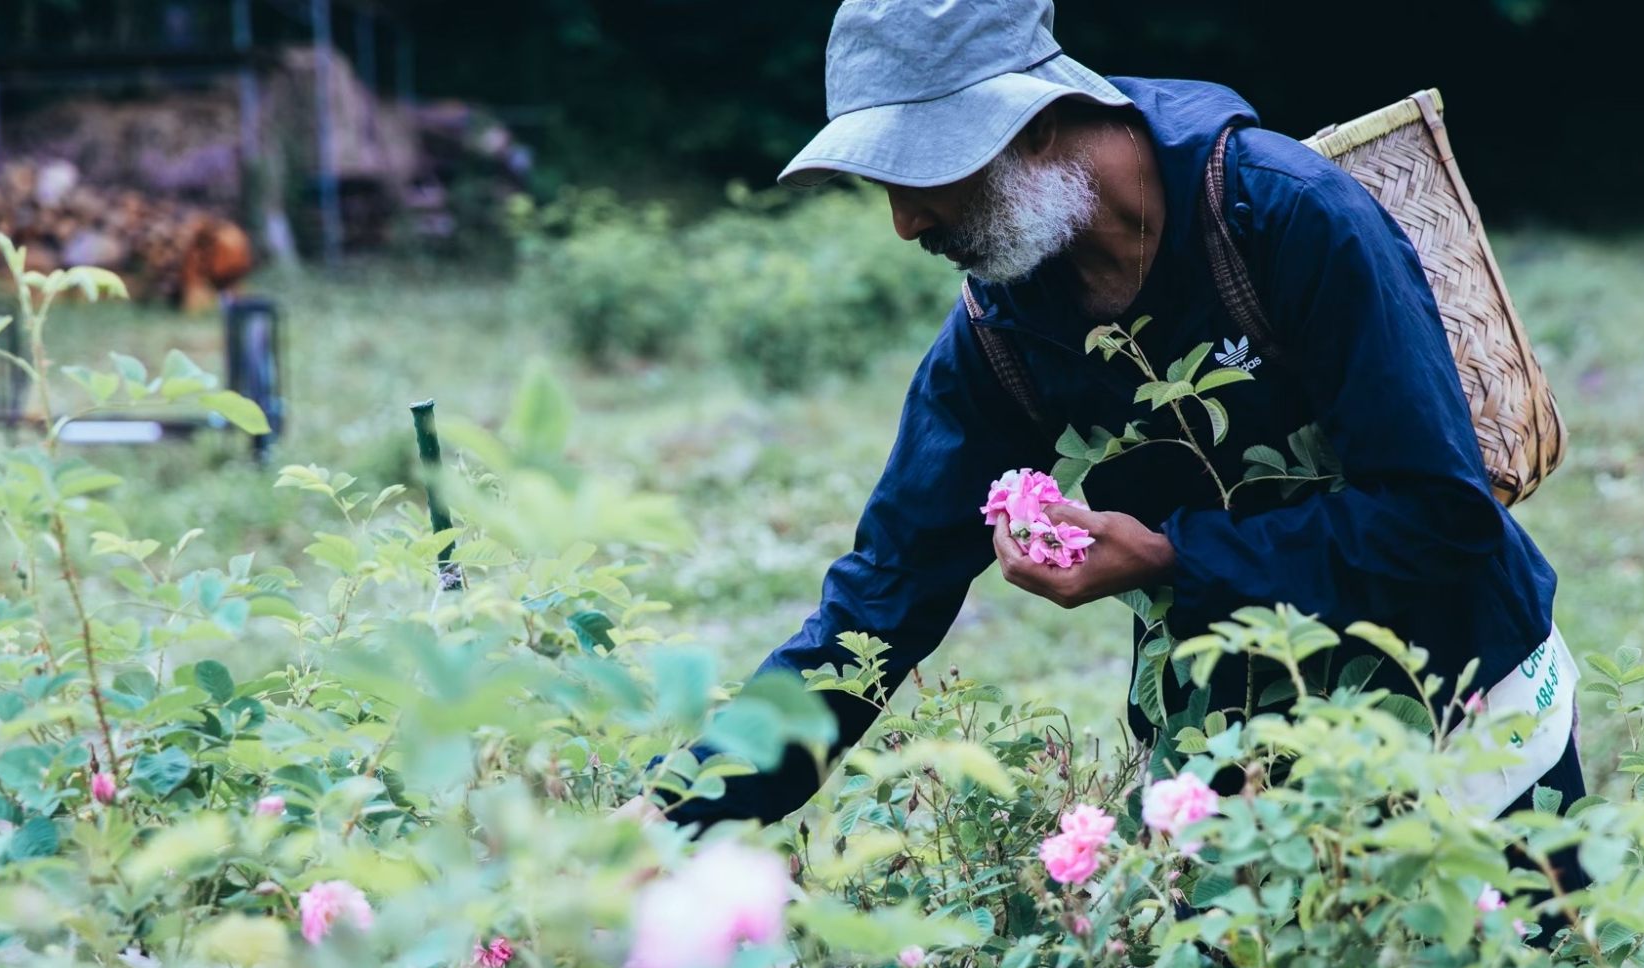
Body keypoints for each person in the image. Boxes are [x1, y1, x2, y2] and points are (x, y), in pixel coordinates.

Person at [650, 0, 1589, 858]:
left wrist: (1170, 554)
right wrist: (678, 811)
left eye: (920, 169)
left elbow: (1442, 521)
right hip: (1232, 738)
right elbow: (881, 596)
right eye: (879, 183)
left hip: (1459, 698)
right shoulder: (1003, 330)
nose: (904, 220)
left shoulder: (1288, 216)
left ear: (1039, 121)